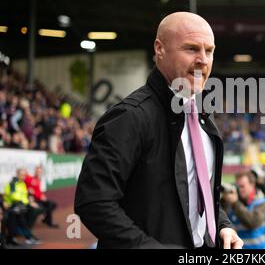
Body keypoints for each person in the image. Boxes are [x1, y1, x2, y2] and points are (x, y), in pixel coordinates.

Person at [75, 12, 242, 249]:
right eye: (192, 48)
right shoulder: (128, 117)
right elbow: (94, 202)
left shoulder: (202, 114)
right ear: (160, 49)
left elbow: (199, 191)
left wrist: (223, 226)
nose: (203, 60)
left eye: (209, 50)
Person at [222, 171, 265, 249]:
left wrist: (235, 203)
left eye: (242, 186)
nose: (239, 189)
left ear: (252, 184)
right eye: (237, 186)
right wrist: (224, 200)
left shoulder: (261, 202)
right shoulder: (235, 200)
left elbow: (252, 223)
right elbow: (221, 219)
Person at [3, 168, 41, 245]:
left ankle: (26, 236)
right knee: (21, 219)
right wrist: (26, 202)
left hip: (20, 205)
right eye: (21, 175)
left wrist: (28, 200)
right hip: (12, 205)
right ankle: (28, 237)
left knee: (25, 217)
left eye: (24, 175)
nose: (23, 177)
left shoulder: (22, 183)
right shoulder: (13, 183)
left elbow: (24, 195)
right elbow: (14, 197)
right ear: (17, 175)